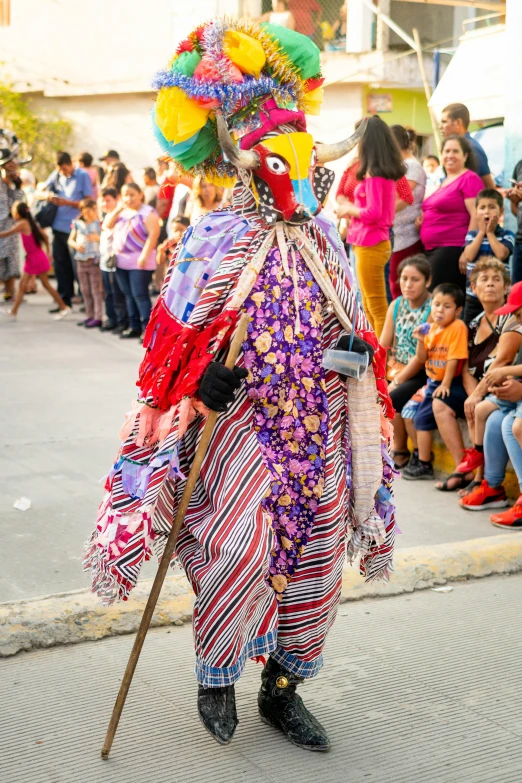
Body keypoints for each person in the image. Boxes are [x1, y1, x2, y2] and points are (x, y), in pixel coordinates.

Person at [84, 18, 396, 753]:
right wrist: (203, 379)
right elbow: (170, 334)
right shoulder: (215, 233)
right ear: (244, 157)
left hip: (317, 420)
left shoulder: (325, 236)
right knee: (239, 547)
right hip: (242, 422)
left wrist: (351, 349)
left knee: (316, 558)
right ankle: (216, 675)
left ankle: (283, 688)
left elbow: (351, 319)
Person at [432, 259, 522, 492]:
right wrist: (473, 393)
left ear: (506, 287)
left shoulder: (513, 319)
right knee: (439, 403)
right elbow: (465, 366)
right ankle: (465, 470)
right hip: (479, 386)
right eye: (484, 279)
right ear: (473, 287)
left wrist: (478, 396)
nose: (490, 284)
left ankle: (482, 478)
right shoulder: (472, 324)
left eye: (496, 280)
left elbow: (503, 361)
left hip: (500, 387)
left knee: (480, 409)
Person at [336, 115, 406, 337]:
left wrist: (348, 210)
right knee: (367, 303)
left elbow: (374, 213)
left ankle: (382, 359)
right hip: (368, 242)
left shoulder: (376, 175)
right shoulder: (377, 173)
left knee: (374, 305)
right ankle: (378, 355)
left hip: (372, 243)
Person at [457, 274, 522, 505]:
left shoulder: (515, 325)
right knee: (494, 418)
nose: (516, 318)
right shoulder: (475, 322)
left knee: (514, 424)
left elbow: (505, 361)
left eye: (519, 313)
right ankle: (492, 487)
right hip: (511, 392)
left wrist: (507, 376)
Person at [402, 283, 468, 481]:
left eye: (447, 306)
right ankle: (418, 457)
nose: (440, 310)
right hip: (431, 383)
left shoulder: (457, 327)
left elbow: (453, 359)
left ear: (458, 311)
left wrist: (446, 384)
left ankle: (424, 463)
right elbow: (422, 359)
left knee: (421, 419)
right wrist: (421, 340)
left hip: (448, 383)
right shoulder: (430, 329)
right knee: (408, 411)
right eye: (437, 304)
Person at [380, 255, 432, 469]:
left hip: (421, 370)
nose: (408, 285)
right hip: (397, 368)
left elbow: (422, 358)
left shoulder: (432, 307)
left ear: (428, 281)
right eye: (404, 279)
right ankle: (396, 449)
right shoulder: (397, 304)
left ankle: (407, 452)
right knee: (380, 395)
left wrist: (398, 380)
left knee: (391, 399)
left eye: (415, 279)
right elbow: (383, 344)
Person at [418, 135, 483, 294]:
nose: (450, 155)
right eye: (446, 151)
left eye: (455, 151)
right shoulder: (446, 180)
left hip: (452, 249)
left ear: (465, 155)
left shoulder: (469, 178)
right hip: (433, 249)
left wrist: (467, 249)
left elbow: (476, 215)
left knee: (437, 297)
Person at [105, 182, 160, 339]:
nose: (128, 198)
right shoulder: (123, 212)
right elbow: (107, 225)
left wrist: (144, 254)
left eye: (132, 194)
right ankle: (134, 326)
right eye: (125, 195)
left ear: (140, 194)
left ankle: (147, 329)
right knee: (128, 295)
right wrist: (118, 209)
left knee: (140, 294)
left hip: (139, 261)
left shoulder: (148, 213)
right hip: (121, 260)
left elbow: (153, 235)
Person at [0, 201, 70, 319]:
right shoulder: (30, 223)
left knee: (44, 284)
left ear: (18, 213)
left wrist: (48, 253)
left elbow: (7, 233)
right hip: (34, 257)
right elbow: (45, 238)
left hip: (35, 258)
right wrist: (48, 252)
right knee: (25, 285)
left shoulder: (22, 223)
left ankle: (64, 307)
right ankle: (14, 312)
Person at [43, 151, 93, 309]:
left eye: (65, 169)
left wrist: (68, 203)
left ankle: (86, 301)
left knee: (77, 266)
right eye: (60, 170)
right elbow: (41, 190)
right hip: (58, 226)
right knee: (60, 265)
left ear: (71, 164)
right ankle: (64, 301)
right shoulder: (56, 175)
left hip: (76, 228)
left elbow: (89, 201)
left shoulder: (82, 175)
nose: (63, 172)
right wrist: (48, 196)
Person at [460, 189, 514, 323]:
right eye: (482, 207)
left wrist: (489, 233)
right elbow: (468, 256)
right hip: (474, 297)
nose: (487, 211)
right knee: (471, 332)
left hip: (498, 296)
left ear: (501, 212)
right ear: (476, 213)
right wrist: (481, 233)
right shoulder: (472, 235)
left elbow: (501, 255)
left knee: (497, 329)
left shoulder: (506, 235)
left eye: (492, 207)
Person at [389, 125, 426, 299]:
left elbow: (402, 198)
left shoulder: (412, 166)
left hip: (407, 236)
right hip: (396, 234)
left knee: (400, 287)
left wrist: (378, 215)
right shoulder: (402, 165)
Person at [440, 103, 495, 189]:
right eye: (447, 151)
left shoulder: (472, 149)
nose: (440, 127)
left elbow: (489, 187)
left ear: (458, 123)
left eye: (444, 122)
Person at [68, 198, 103, 328]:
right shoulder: (78, 223)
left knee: (96, 290)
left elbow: (105, 239)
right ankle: (90, 315)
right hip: (81, 260)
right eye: (90, 210)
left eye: (94, 209)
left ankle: (98, 316)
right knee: (85, 290)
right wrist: (76, 245)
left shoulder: (99, 224)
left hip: (94, 260)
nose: (93, 212)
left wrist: (97, 238)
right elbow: (70, 240)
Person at [0, 130, 26, 301]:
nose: (10, 169)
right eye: (7, 166)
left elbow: (18, 204)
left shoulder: (13, 184)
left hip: (9, 224)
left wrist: (16, 185)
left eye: (12, 165)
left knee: (11, 259)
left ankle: (10, 292)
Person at [98, 187, 128, 333]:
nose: (105, 203)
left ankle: (122, 322)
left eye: (108, 200)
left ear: (117, 200)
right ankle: (112, 319)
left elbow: (106, 226)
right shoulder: (105, 214)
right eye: (103, 200)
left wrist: (118, 209)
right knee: (108, 293)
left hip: (116, 262)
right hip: (105, 262)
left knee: (118, 293)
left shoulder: (120, 215)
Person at [155, 214, 190, 289]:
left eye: (181, 230)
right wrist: (160, 252)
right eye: (175, 231)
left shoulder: (190, 244)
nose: (178, 233)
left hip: (186, 277)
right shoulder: (169, 244)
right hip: (171, 277)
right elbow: (160, 262)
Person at [506, 165, 522, 284]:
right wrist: (514, 199)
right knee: (517, 295)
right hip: (520, 241)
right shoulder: (519, 166)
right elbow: (515, 209)